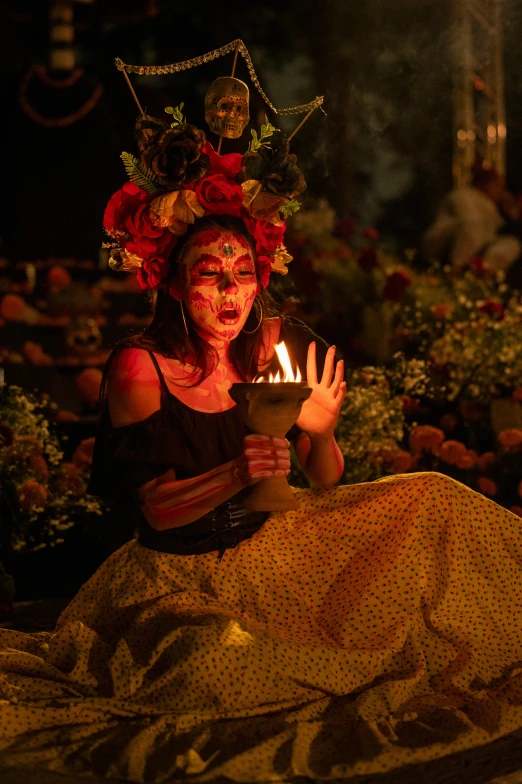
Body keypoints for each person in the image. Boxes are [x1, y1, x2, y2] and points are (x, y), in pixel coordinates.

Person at [1, 109, 522, 784]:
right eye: (208, 271)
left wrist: (323, 431)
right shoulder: (141, 366)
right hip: (181, 574)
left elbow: (325, 479)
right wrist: (234, 471)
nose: (228, 289)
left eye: (242, 270)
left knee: (432, 498)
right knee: (226, 667)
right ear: (173, 281)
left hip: (281, 542)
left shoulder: (277, 340)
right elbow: (157, 513)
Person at [422, 165, 521, 273]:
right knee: (473, 224)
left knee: (511, 244)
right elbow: (469, 221)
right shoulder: (463, 194)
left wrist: (509, 212)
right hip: (442, 245)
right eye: (497, 185)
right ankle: (455, 273)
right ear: (484, 183)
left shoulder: (491, 206)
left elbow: (496, 231)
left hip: (477, 244)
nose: (500, 191)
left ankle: (481, 276)